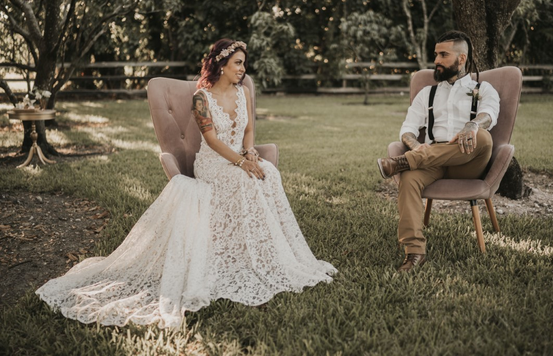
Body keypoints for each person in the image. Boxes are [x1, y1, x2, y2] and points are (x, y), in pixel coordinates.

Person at [36, 39, 337, 328]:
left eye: (244, 64)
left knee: (269, 173)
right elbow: (212, 140)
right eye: (238, 63)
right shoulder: (201, 98)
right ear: (221, 64)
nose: (243, 69)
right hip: (213, 164)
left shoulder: (243, 91)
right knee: (244, 180)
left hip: (238, 156)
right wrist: (241, 163)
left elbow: (247, 130)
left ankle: (266, 252)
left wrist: (251, 152)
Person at [376, 31, 500, 272]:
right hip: (432, 159)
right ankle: (415, 253)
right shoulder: (427, 94)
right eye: (436, 55)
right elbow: (408, 129)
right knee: (410, 178)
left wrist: (472, 125)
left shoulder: (483, 89)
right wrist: (415, 146)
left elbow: (489, 114)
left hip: (469, 160)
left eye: (443, 54)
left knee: (483, 137)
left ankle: (403, 161)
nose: (437, 60)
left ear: (461, 58)